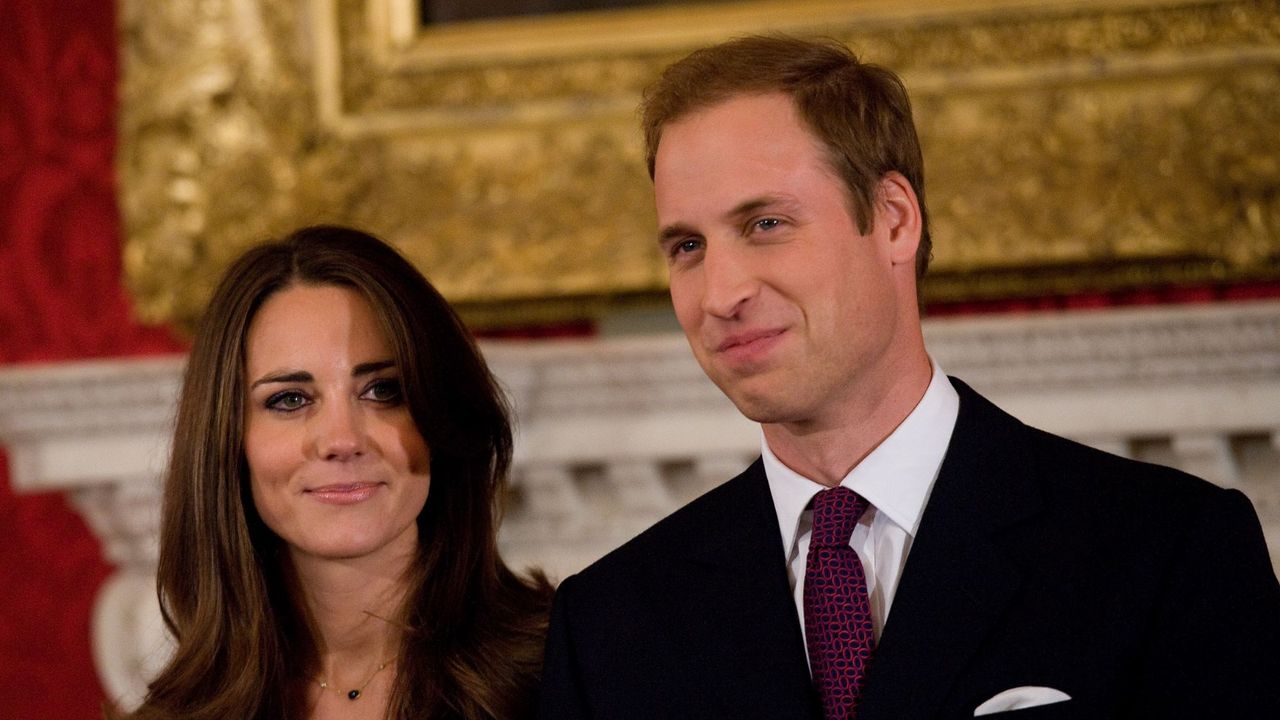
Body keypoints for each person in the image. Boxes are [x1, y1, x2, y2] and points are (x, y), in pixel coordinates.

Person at [537, 35, 1280, 718]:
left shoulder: (1166, 551)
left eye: (765, 224)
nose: (720, 293)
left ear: (894, 219)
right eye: (688, 245)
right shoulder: (609, 621)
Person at [116, 226, 552, 720]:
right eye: (290, 399)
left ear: (441, 420)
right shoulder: (176, 714)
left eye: (384, 391)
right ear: (228, 442)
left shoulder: (574, 664)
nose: (343, 440)